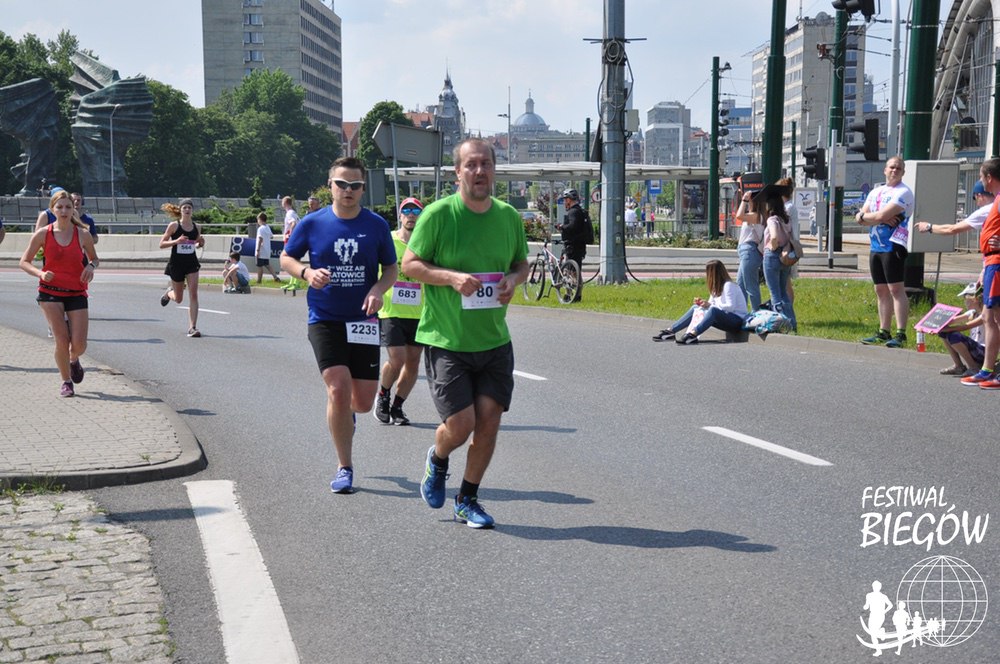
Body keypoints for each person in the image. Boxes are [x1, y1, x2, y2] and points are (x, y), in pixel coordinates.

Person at [402, 137, 529, 529]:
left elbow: (521, 264)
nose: (479, 171)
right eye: (471, 165)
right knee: (461, 425)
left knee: (488, 422)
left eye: (486, 164)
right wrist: (452, 278)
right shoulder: (439, 215)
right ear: (457, 172)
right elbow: (410, 265)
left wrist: (513, 280)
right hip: (448, 341)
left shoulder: (508, 217)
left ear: (494, 169)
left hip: (494, 340)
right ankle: (438, 458)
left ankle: (467, 499)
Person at [280, 156, 397, 494]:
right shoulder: (312, 223)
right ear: (330, 186)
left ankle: (347, 415)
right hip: (325, 318)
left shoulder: (375, 225)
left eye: (355, 185)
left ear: (363, 188)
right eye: (342, 184)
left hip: (363, 320)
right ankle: (345, 467)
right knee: (337, 388)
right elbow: (286, 257)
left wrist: (377, 290)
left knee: (362, 402)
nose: (348, 190)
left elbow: (391, 269)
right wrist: (306, 272)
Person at [18, 190, 99, 397]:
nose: (64, 211)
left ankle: (73, 359)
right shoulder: (43, 234)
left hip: (76, 291)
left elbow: (95, 258)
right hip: (50, 292)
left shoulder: (82, 234)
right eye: (60, 207)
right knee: (62, 340)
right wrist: (40, 273)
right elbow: (24, 262)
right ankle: (66, 381)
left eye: (68, 207)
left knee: (79, 344)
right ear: (52, 209)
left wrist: (90, 266)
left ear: (74, 210)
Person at [373, 196, 426, 426]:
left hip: (418, 312)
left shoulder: (427, 245)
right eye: (407, 211)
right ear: (400, 215)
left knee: (413, 363)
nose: (411, 215)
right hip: (390, 310)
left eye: (416, 211)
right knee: (397, 358)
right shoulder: (388, 241)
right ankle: (383, 395)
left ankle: (397, 406)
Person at [856, 156, 914, 348]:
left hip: (893, 245)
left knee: (896, 289)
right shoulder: (876, 192)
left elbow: (880, 215)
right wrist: (869, 217)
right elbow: (859, 217)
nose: (894, 170)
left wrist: (870, 217)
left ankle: (901, 333)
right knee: (880, 290)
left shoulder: (904, 192)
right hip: (875, 246)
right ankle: (883, 331)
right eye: (891, 167)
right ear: (885, 169)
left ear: (903, 172)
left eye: (898, 168)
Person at [961, 158, 1000, 387]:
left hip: (997, 262)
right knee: (989, 317)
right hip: (992, 262)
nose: (980, 181)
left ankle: (990, 370)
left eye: (981, 176)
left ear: (989, 178)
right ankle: (987, 369)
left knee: (995, 317)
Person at [651, 259, 748, 344]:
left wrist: (709, 305)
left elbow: (730, 307)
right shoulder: (715, 287)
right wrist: (703, 304)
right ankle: (671, 331)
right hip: (725, 318)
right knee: (695, 308)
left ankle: (693, 334)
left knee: (713, 310)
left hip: (737, 321)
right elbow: (711, 305)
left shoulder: (728, 285)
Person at [158, 198, 205, 338]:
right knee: (178, 299)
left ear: (192, 210)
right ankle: (169, 293)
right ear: (180, 210)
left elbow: (195, 243)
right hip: (176, 263)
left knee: (194, 294)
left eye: (189, 207)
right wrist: (177, 241)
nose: (187, 210)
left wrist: (200, 243)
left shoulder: (197, 227)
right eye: (185, 207)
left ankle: (192, 327)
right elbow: (161, 244)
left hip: (191, 263)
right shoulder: (174, 226)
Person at [759, 184, 797, 331]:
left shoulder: (772, 219)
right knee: (784, 293)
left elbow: (774, 237)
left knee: (774, 293)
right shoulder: (786, 220)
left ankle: (781, 324)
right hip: (784, 257)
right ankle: (792, 323)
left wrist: (772, 246)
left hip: (773, 256)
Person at [915, 180, 994, 237]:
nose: (975, 201)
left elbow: (952, 229)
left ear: (979, 195)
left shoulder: (985, 211)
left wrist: (928, 227)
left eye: (974, 197)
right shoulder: (996, 205)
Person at [937, 282, 984, 376]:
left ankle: (973, 367)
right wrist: (933, 326)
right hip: (974, 348)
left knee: (954, 336)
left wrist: (946, 329)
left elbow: (966, 326)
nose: (965, 302)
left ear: (975, 299)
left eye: (966, 299)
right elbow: (952, 320)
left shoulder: (985, 315)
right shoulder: (972, 312)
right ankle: (959, 366)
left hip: (983, 351)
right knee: (943, 333)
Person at [556, 188, 590, 302]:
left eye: (565, 199)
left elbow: (572, 226)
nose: (564, 202)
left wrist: (562, 227)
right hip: (579, 244)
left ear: (569, 200)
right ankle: (576, 295)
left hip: (573, 245)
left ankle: (571, 295)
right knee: (575, 270)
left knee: (571, 271)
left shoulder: (573, 211)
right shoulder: (580, 210)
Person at [734, 188, 764, 311]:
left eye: (750, 201)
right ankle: (742, 312)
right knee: (740, 285)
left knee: (751, 286)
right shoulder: (753, 215)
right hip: (746, 251)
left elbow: (739, 216)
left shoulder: (757, 216)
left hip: (750, 251)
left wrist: (744, 200)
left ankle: (757, 313)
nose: (748, 203)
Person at [280, 196, 304, 294]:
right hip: (296, 239)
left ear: (285, 203)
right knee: (293, 260)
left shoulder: (289, 213)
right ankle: (292, 282)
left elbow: (293, 223)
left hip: (291, 239)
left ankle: (296, 282)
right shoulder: (293, 212)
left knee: (291, 260)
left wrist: (290, 235)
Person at [254, 212, 281, 284]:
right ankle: (275, 277)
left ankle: (259, 280)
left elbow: (260, 239)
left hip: (261, 250)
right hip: (267, 250)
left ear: (260, 219)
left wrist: (257, 250)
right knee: (267, 264)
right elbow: (271, 236)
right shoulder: (267, 227)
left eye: (258, 219)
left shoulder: (260, 229)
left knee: (259, 266)